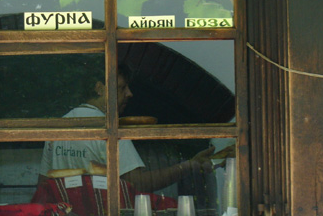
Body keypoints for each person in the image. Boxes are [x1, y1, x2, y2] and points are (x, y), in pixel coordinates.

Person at [38, 64, 215, 194]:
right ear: (100, 88)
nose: (130, 93)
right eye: (122, 87)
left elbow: (43, 184)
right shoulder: (110, 129)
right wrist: (188, 166)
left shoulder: (60, 126)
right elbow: (137, 183)